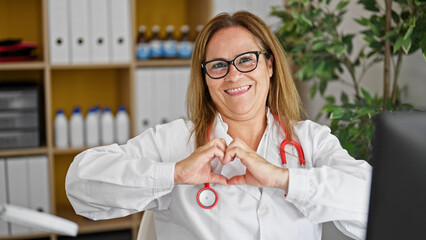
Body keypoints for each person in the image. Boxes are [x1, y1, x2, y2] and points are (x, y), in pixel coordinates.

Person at [66, 11, 372, 240]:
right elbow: (81, 183)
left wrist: (283, 179)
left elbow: (373, 202)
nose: (233, 75)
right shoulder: (176, 142)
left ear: (269, 65)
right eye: (218, 65)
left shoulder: (309, 140)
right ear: (205, 79)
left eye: (246, 60)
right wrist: (174, 173)